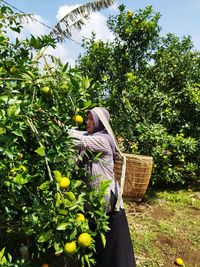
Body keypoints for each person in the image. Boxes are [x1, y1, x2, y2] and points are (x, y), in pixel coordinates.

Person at [69, 107, 136, 267]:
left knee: (111, 237)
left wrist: (56, 127)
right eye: (87, 118)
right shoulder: (92, 136)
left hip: (106, 197)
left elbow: (77, 139)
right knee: (97, 235)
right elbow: (79, 135)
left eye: (91, 119)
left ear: (100, 122)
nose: (87, 122)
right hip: (94, 198)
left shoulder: (104, 140)